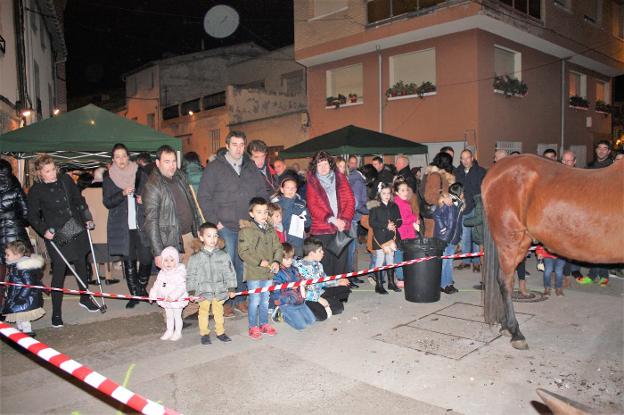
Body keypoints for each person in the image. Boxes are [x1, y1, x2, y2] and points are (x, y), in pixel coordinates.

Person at [198, 131, 268, 317]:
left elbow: (262, 192)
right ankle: (225, 301)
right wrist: (215, 223)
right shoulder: (214, 168)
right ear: (227, 145)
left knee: (245, 263)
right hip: (225, 225)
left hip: (247, 225)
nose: (238, 148)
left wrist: (260, 216)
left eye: (241, 145)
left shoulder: (250, 167)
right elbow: (204, 196)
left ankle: (240, 299)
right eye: (234, 144)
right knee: (227, 264)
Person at [27, 155, 100, 328]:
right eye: (47, 171)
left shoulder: (65, 179)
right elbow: (32, 215)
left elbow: (78, 199)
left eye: (53, 169)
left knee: (82, 263)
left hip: (75, 225)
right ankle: (57, 312)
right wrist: (44, 230)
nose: (52, 174)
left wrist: (86, 217)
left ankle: (85, 297)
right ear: (39, 173)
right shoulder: (36, 190)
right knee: (59, 270)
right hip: (57, 232)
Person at [103, 143, 152, 308]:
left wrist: (143, 199)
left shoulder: (139, 173)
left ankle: (141, 287)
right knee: (129, 261)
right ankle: (136, 294)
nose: (121, 159)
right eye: (117, 157)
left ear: (128, 156)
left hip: (141, 223)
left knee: (146, 257)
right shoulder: (109, 178)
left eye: (123, 155)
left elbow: (150, 192)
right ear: (113, 159)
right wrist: (122, 193)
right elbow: (107, 202)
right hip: (122, 226)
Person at [143, 145, 202, 267]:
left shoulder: (179, 176)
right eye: (167, 162)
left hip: (190, 235)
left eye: (174, 161)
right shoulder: (153, 185)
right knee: (176, 281)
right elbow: (151, 221)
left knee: (192, 277)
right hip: (172, 240)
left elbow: (192, 203)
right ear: (158, 163)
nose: (172, 165)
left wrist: (198, 227)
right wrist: (158, 252)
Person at [238, 197, 283, 340]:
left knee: (265, 300)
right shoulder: (246, 231)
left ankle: (264, 324)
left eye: (265, 212)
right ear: (251, 214)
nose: (263, 215)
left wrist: (276, 261)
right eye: (259, 212)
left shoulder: (270, 229)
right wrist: (258, 261)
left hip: (268, 272)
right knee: (255, 300)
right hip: (254, 272)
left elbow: (278, 247)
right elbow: (243, 252)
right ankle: (253, 326)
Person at [305, 151, 355, 277]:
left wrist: (344, 220)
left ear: (330, 164)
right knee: (325, 263)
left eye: (325, 164)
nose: (323, 167)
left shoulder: (340, 178)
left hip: (341, 227)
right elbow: (313, 206)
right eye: (319, 164)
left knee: (341, 263)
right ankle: (328, 294)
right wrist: (332, 219)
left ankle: (340, 293)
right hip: (322, 229)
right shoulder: (312, 181)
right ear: (315, 166)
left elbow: (350, 200)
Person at [186, 222, 237, 345]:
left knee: (218, 312)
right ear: (201, 237)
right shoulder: (195, 257)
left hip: (219, 290)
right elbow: (191, 275)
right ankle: (204, 333)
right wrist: (191, 291)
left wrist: (231, 288)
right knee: (203, 312)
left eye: (215, 235)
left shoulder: (223, 255)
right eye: (209, 236)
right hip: (203, 290)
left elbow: (230, 272)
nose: (213, 239)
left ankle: (220, 332)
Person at [579, 140, 613, 286]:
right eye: (599, 148)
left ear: (609, 151)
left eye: (605, 149)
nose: (601, 151)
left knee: (604, 245)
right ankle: (593, 274)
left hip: (608, 211)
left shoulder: (614, 166)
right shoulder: (590, 166)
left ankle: (604, 275)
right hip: (592, 211)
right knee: (592, 245)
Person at [294, 238, 351, 321]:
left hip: (319, 293)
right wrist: (319, 299)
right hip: (307, 298)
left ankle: (317, 308)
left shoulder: (318, 265)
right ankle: (298, 310)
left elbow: (324, 281)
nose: (323, 253)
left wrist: (337, 282)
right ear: (311, 253)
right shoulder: (299, 268)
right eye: (320, 251)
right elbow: (301, 291)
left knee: (339, 308)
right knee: (322, 316)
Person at [0, 159, 31, 308]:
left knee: (1, 276)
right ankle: (23, 309)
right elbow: (26, 214)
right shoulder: (15, 185)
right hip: (17, 236)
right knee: (24, 275)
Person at [2, 241, 45, 336]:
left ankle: (27, 332)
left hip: (23, 298)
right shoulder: (14, 265)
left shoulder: (22, 267)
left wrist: (21, 297)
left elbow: (28, 284)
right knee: (18, 316)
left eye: (8, 254)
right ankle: (21, 331)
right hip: (16, 295)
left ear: (17, 255)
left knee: (23, 316)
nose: (5, 256)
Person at [453, 149, 486, 272]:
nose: (465, 161)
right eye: (463, 158)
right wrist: (458, 201)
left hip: (477, 207)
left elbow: (483, 189)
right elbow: (454, 190)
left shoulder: (480, 171)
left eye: (467, 158)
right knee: (465, 236)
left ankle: (476, 262)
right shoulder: (457, 171)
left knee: (476, 235)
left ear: (472, 158)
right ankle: (466, 261)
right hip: (463, 208)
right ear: (460, 159)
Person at [368, 183, 402, 294]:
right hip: (379, 237)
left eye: (388, 193)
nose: (386, 195)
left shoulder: (394, 205)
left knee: (390, 259)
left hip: (391, 237)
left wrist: (394, 224)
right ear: (379, 194)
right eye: (384, 193)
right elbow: (372, 222)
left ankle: (391, 283)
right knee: (380, 259)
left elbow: (399, 219)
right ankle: (378, 285)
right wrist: (385, 225)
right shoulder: (374, 205)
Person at [149, 247, 189, 340]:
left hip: (176, 299)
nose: (168, 263)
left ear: (176, 261)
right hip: (165, 299)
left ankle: (178, 332)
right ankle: (169, 330)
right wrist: (152, 295)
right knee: (169, 316)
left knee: (177, 316)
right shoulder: (162, 273)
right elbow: (157, 284)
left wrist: (173, 296)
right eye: (166, 260)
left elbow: (181, 287)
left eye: (172, 260)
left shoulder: (179, 273)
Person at [273, 243, 316, 330]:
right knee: (301, 326)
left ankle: (297, 313)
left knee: (312, 320)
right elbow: (275, 291)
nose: (290, 261)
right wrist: (289, 287)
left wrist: (305, 282)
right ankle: (280, 315)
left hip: (299, 301)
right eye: (286, 258)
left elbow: (300, 278)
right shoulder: (276, 273)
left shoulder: (294, 269)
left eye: (291, 258)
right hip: (287, 303)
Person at [434, 183, 464, 294]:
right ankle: (442, 284)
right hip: (444, 238)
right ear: (459, 193)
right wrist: (443, 229)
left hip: (453, 238)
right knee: (444, 262)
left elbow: (458, 224)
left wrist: (459, 237)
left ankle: (448, 283)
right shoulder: (448, 202)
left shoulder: (459, 205)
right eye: (463, 192)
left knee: (449, 262)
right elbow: (436, 214)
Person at [271, 177, 310, 257]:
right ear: (282, 190)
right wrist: (288, 201)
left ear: (296, 189)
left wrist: (304, 220)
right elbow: (281, 222)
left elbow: (308, 224)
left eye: (293, 188)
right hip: (282, 240)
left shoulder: (301, 204)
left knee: (297, 264)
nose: (290, 190)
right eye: (288, 188)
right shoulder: (276, 205)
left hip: (298, 241)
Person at [393, 178, 420, 288]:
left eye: (406, 190)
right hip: (402, 234)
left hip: (408, 232)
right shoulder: (398, 203)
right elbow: (402, 220)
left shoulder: (404, 202)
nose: (405, 192)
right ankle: (400, 278)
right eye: (402, 190)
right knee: (399, 255)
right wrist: (414, 218)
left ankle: (404, 276)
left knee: (405, 255)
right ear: (397, 192)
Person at [422, 152, 456, 238]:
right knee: (433, 244)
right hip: (434, 217)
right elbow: (429, 196)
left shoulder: (439, 175)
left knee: (437, 244)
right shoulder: (435, 176)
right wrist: (442, 199)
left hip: (438, 215)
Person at [346, 156, 368, 284]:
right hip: (352, 218)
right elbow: (357, 202)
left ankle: (352, 275)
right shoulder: (357, 179)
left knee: (353, 249)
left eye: (355, 163)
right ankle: (351, 276)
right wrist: (368, 210)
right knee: (351, 249)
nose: (353, 165)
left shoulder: (353, 178)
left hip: (353, 218)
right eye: (351, 163)